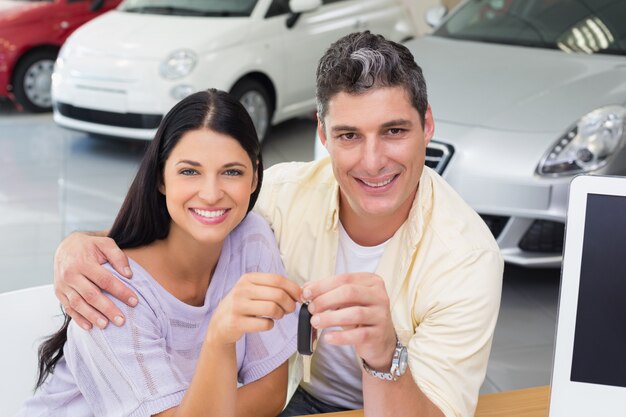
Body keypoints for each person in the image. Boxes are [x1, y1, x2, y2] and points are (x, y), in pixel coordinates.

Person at [53, 32, 503, 417]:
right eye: (349, 136)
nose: (373, 161)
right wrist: (78, 244)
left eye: (394, 131)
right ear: (323, 136)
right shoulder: (280, 198)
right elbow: (190, 216)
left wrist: (385, 355)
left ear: (427, 126)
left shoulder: (467, 258)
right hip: (292, 399)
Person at [18, 89, 300, 417]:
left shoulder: (251, 237)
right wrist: (219, 339)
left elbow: (270, 393)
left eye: (232, 171)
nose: (211, 194)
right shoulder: (113, 292)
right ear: (161, 178)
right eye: (189, 171)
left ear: (254, 177)